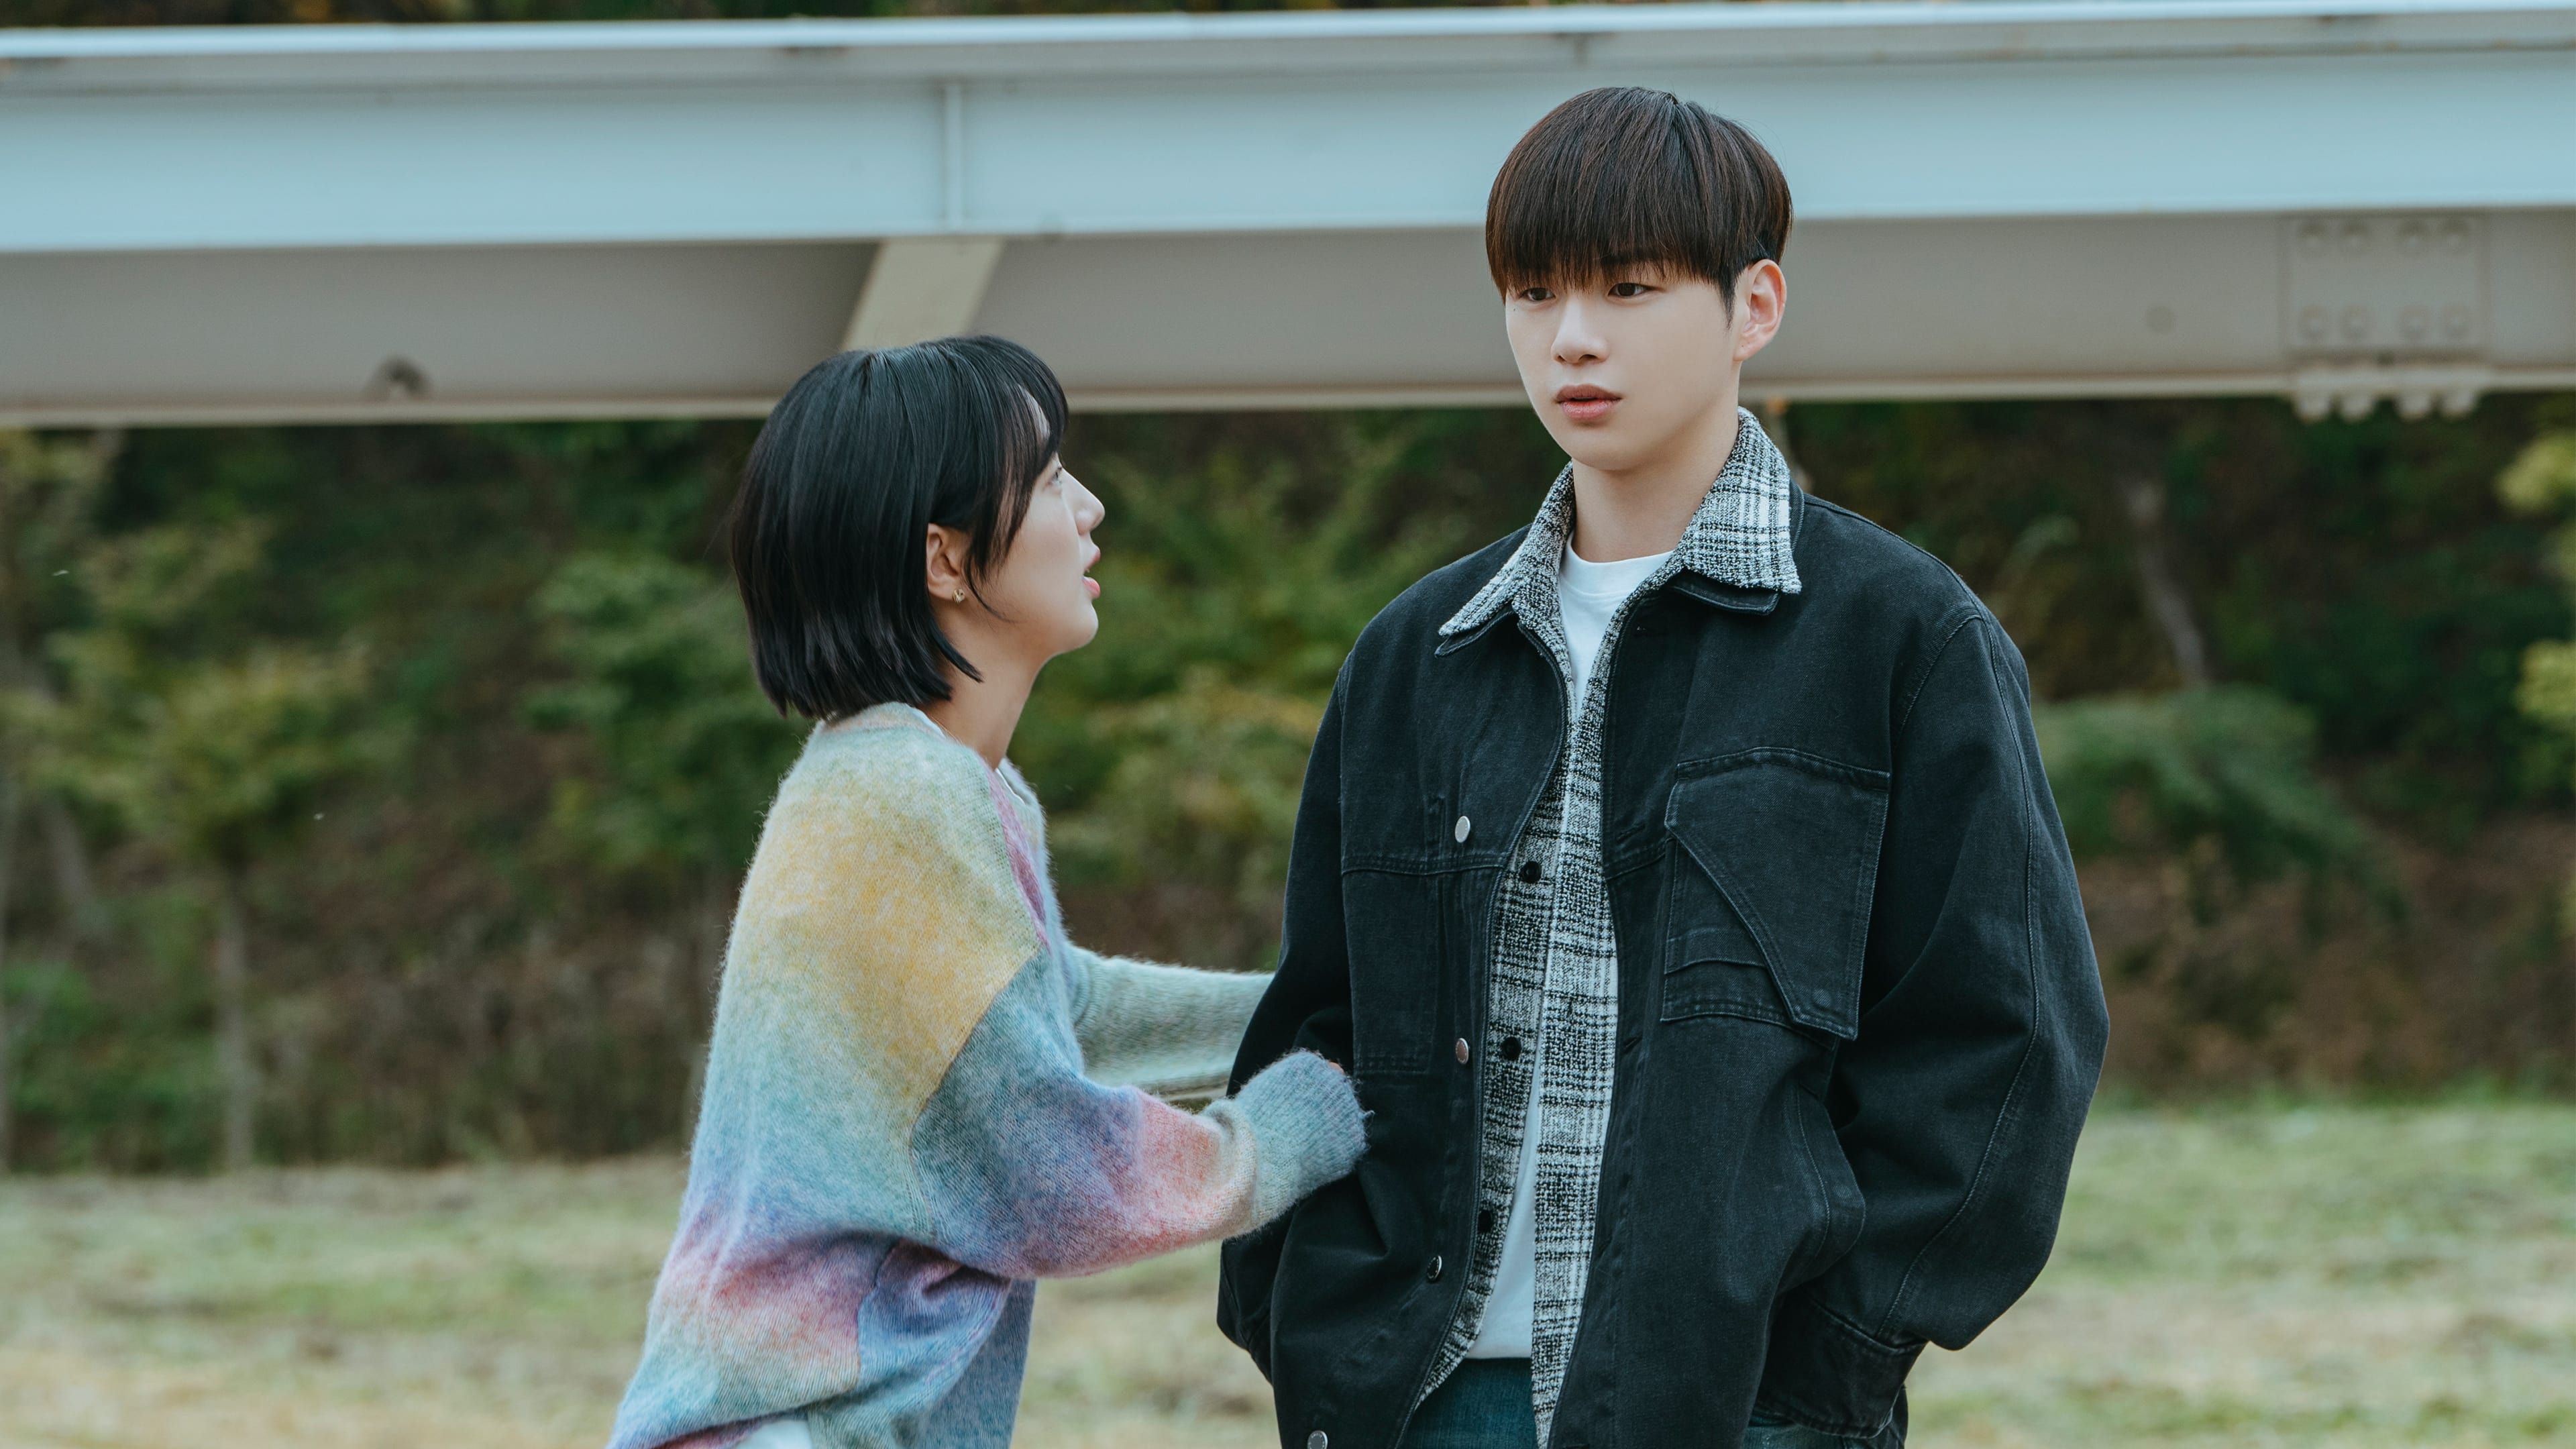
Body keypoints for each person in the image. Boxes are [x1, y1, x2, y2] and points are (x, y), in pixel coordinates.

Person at [1218, 87, 2108, 1449]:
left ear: (1755, 306)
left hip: (1734, 1405)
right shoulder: (1419, 655)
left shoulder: (1897, 637)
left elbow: (2008, 1042)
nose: (1572, 337)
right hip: (1411, 1401)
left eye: (1629, 289)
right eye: (1533, 293)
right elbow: (1317, 1027)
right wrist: (1294, 1310)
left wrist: (1830, 1368)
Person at [608, 336, 1365, 1449]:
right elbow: (1046, 1168)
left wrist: (1333, 1011)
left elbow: (1057, 1015)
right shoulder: (902, 797)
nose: (1091, 507)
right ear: (945, 559)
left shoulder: (930, 779)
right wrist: (1294, 1127)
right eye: (1051, 480)